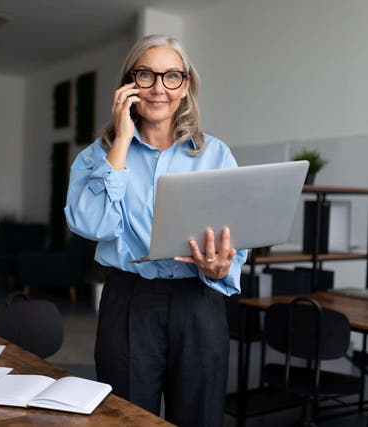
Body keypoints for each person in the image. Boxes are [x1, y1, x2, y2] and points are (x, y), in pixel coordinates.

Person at [64, 34, 247, 427]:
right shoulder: (96, 157)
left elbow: (237, 236)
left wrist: (221, 268)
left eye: (172, 76)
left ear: (185, 88)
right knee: (127, 419)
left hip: (198, 302)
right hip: (129, 301)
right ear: (129, 84)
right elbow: (89, 225)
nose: (159, 88)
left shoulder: (215, 154)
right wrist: (121, 144)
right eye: (146, 75)